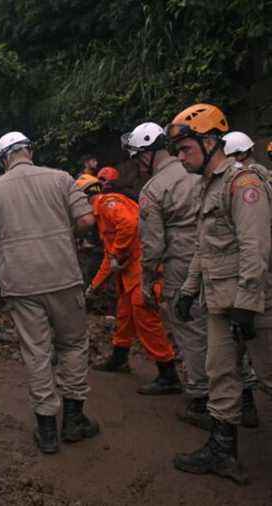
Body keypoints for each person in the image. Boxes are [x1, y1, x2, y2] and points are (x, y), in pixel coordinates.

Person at [121, 122, 258, 429]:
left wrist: (146, 281)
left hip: (183, 261)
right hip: (221, 257)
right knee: (226, 330)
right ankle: (246, 398)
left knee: (191, 331)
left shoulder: (154, 189)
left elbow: (152, 244)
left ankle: (200, 398)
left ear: (146, 154)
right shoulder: (205, 174)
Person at [0, 131, 99, 455]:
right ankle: (73, 420)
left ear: (3, 160)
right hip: (63, 277)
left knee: (36, 351)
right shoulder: (60, 179)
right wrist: (62, 236)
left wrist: (2, 270)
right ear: (29, 150)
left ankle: (46, 430)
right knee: (72, 344)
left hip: (20, 283)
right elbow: (86, 219)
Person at [168, 103, 272, 484]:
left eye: (185, 149)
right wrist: (188, 290)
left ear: (211, 141)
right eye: (178, 151)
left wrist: (246, 304)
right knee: (220, 375)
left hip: (255, 303)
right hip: (219, 302)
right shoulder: (206, 187)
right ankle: (222, 451)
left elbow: (255, 247)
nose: (180, 158)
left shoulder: (243, 185)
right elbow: (204, 246)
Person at [78, 175, 182, 394]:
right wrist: (93, 286)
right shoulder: (103, 213)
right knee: (124, 316)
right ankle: (119, 358)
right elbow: (110, 256)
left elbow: (130, 225)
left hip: (142, 270)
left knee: (145, 318)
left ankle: (168, 373)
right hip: (129, 274)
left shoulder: (108, 204)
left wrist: (118, 253)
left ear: (84, 197)